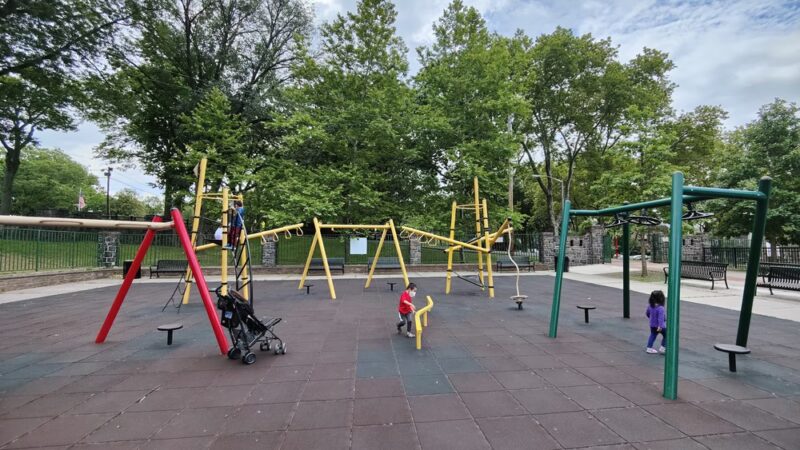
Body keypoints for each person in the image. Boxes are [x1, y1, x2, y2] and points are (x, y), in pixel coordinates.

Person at [645, 290, 667, 354]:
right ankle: (663, 348)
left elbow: (647, 313)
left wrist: (651, 318)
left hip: (652, 325)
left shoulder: (650, 306)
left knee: (653, 335)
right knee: (667, 335)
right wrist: (660, 326)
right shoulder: (661, 308)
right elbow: (661, 318)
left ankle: (649, 348)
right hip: (660, 326)